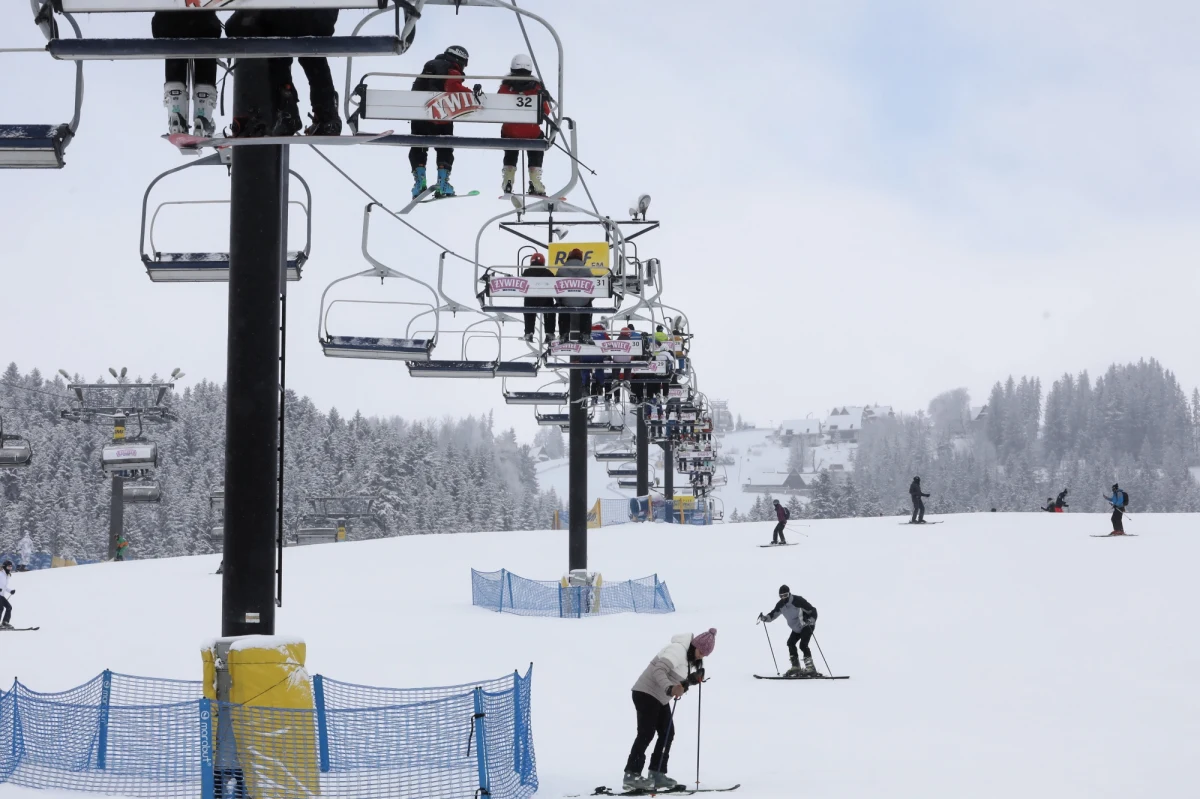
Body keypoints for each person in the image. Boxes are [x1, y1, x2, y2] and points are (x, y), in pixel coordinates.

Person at [623, 628, 717, 792]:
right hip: (645, 693)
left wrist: (693, 680)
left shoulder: (688, 660)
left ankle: (657, 773)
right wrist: (669, 689)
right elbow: (658, 670)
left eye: (705, 655)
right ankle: (632, 775)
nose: (701, 656)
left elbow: (678, 683)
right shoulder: (678, 650)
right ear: (694, 645)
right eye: (701, 652)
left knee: (667, 733)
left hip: (660, 698)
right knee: (647, 733)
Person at [225, 10, 343, 138]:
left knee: (252, 32)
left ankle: (283, 110)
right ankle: (327, 113)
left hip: (285, 16)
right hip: (322, 15)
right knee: (312, 51)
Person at [407, 46, 471, 198]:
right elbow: (453, 87)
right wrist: (472, 94)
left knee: (418, 147)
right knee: (445, 148)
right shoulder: (451, 68)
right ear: (459, 59)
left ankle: (419, 182)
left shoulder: (430, 66)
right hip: (440, 115)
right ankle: (442, 183)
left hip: (419, 114)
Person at [151, 8, 221, 137]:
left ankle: (176, 109)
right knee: (206, 39)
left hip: (166, 24)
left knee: (173, 37)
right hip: (204, 24)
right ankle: (203, 111)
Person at [498, 54, 551, 196]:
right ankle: (535, 180)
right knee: (538, 138)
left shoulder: (505, 88)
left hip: (510, 131)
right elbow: (546, 111)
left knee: (508, 136)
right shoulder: (537, 88)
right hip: (531, 132)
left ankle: (508, 179)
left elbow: (497, 108)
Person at [759, 585, 818, 676]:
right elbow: (773, 614)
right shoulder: (781, 605)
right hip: (796, 628)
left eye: (785, 595)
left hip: (807, 625)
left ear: (789, 593)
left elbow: (813, 610)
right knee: (790, 643)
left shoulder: (798, 600)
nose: (783, 597)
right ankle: (796, 667)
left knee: (803, 645)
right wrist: (764, 618)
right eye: (781, 596)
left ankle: (810, 668)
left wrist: (810, 620)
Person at [555, 248, 593, 342]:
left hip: (566, 301)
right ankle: (585, 334)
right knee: (587, 307)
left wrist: (559, 301)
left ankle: (564, 334)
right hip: (583, 302)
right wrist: (589, 299)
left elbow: (555, 288)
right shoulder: (587, 270)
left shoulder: (561, 270)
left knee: (563, 307)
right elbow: (594, 288)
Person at [520, 252, 555, 343]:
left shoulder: (527, 272)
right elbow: (554, 286)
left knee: (528, 307)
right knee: (550, 309)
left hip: (530, 301)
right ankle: (549, 333)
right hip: (545, 301)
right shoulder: (548, 273)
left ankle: (529, 332)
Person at [0, 560, 15, 630]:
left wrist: (10, 591)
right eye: (8, 567)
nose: (10, 568)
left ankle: (5, 622)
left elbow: (4, 586)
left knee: (9, 607)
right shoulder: (0, 574)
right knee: (1, 608)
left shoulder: (6, 575)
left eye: (11, 567)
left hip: (1, 595)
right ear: (4, 567)